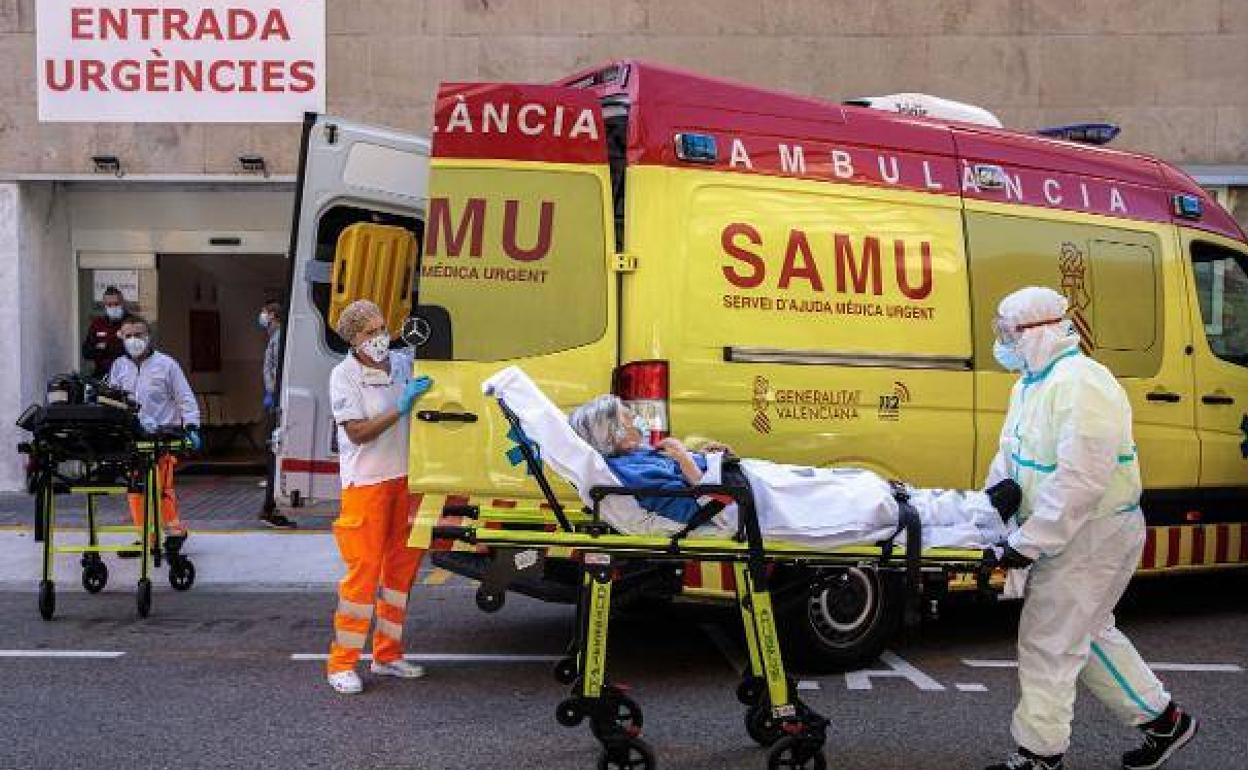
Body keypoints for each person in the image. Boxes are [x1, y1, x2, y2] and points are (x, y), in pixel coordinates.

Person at [980, 287, 1197, 770]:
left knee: (1048, 642)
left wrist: (1027, 542)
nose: (1003, 342)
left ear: (1041, 331)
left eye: (1010, 332)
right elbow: (1010, 455)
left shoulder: (1084, 384)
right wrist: (992, 506)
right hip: (1067, 534)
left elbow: (1081, 479)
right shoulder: (1030, 384)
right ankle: (1164, 722)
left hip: (1093, 536)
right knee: (1088, 633)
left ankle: (1040, 754)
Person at [566, 394, 1018, 548]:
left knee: (864, 485)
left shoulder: (634, 461)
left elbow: (693, 490)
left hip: (748, 487)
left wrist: (708, 457)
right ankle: (983, 523)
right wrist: (687, 458)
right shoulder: (629, 474)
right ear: (611, 432)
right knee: (870, 510)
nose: (635, 420)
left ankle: (976, 505)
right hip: (748, 506)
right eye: (625, 417)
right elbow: (693, 506)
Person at [325, 299, 433, 695]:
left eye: (382, 328)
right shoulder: (344, 376)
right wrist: (401, 408)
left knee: (400, 575)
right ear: (353, 339)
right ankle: (341, 664)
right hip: (366, 486)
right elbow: (356, 432)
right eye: (370, 332)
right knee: (363, 577)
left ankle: (387, 655)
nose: (380, 337)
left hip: (405, 482)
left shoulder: (402, 364)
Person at [107, 317, 202, 553]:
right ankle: (146, 537)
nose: (134, 340)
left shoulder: (166, 365)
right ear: (121, 338)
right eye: (128, 336)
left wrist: (191, 426)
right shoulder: (119, 367)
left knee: (162, 487)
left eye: (138, 335)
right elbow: (110, 400)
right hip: (133, 437)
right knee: (136, 489)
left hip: (163, 436)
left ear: (148, 336)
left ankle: (174, 531)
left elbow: (185, 398)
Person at [256, 301, 295, 529]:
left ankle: (271, 506)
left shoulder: (280, 337)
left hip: (277, 399)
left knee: (275, 450)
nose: (262, 316)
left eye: (265, 312)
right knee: (274, 450)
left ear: (272, 315)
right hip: (275, 397)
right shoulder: (276, 337)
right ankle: (270, 507)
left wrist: (274, 393)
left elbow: (277, 369)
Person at [81, 285, 132, 378]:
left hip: (127, 374)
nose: (113, 307)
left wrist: (104, 347)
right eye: (109, 305)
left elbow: (133, 350)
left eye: (116, 304)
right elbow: (86, 352)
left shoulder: (132, 322)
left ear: (122, 303)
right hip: (102, 374)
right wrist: (107, 348)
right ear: (104, 305)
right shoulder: (98, 323)